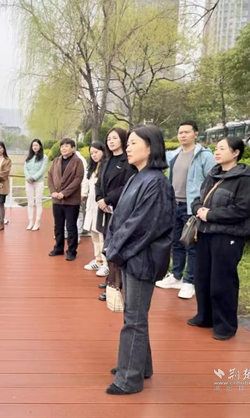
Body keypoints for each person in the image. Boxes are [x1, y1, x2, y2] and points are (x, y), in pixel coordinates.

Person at [104, 125, 175, 395]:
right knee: (134, 315)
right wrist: (113, 246)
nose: (128, 147)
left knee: (134, 319)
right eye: (129, 143)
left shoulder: (156, 182)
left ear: (151, 147)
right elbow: (121, 218)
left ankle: (129, 379)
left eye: (134, 143)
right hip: (130, 255)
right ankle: (139, 366)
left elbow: (142, 226)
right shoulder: (138, 176)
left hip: (141, 258)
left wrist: (114, 250)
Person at [189, 137, 250, 340]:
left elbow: (243, 209)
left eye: (222, 148)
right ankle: (205, 317)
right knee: (202, 277)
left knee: (223, 281)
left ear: (236, 153)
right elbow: (199, 198)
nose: (216, 152)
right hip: (205, 232)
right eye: (216, 148)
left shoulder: (243, 179)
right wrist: (197, 208)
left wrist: (210, 215)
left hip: (228, 235)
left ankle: (225, 326)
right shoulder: (213, 174)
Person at [155, 121, 215, 299]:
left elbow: (211, 181)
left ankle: (190, 281)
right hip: (174, 204)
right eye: (180, 132)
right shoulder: (174, 155)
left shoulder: (204, 156)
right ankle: (176, 275)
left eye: (187, 132)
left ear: (196, 134)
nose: (183, 135)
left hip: (192, 207)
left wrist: (203, 205)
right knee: (175, 242)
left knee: (191, 244)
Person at [95, 128, 136, 300]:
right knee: (107, 245)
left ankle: (115, 283)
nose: (111, 141)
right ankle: (111, 278)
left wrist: (108, 199)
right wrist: (99, 199)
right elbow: (98, 182)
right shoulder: (106, 160)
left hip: (119, 209)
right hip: (105, 209)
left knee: (116, 247)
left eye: (115, 138)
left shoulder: (128, 161)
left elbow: (126, 185)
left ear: (122, 140)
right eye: (109, 138)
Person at [47, 138, 85, 261]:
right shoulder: (56, 161)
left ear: (73, 148)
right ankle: (58, 248)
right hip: (57, 200)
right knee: (58, 226)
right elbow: (50, 176)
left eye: (67, 146)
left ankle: (72, 251)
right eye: (62, 146)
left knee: (71, 226)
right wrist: (53, 191)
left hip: (71, 201)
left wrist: (64, 193)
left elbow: (78, 179)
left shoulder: (77, 162)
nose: (63, 148)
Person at [82, 142, 107, 271]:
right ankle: (97, 259)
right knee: (93, 233)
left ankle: (105, 262)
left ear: (103, 151)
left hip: (102, 203)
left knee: (101, 233)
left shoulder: (106, 166)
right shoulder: (92, 168)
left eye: (96, 152)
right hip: (91, 203)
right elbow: (86, 182)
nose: (94, 155)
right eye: (91, 153)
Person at [24, 139, 48, 230]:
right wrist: (28, 178)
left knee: (38, 202)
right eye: (33, 145)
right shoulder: (28, 157)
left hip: (39, 182)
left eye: (36, 145)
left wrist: (33, 178)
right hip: (28, 182)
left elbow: (42, 170)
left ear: (40, 146)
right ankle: (30, 221)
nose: (35, 147)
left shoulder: (44, 157)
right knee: (30, 202)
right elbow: (25, 168)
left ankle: (37, 222)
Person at [75, 148, 90, 238]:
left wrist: (84, 192)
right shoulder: (62, 158)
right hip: (67, 192)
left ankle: (78, 233)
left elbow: (84, 177)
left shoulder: (80, 159)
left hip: (79, 191)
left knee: (79, 212)